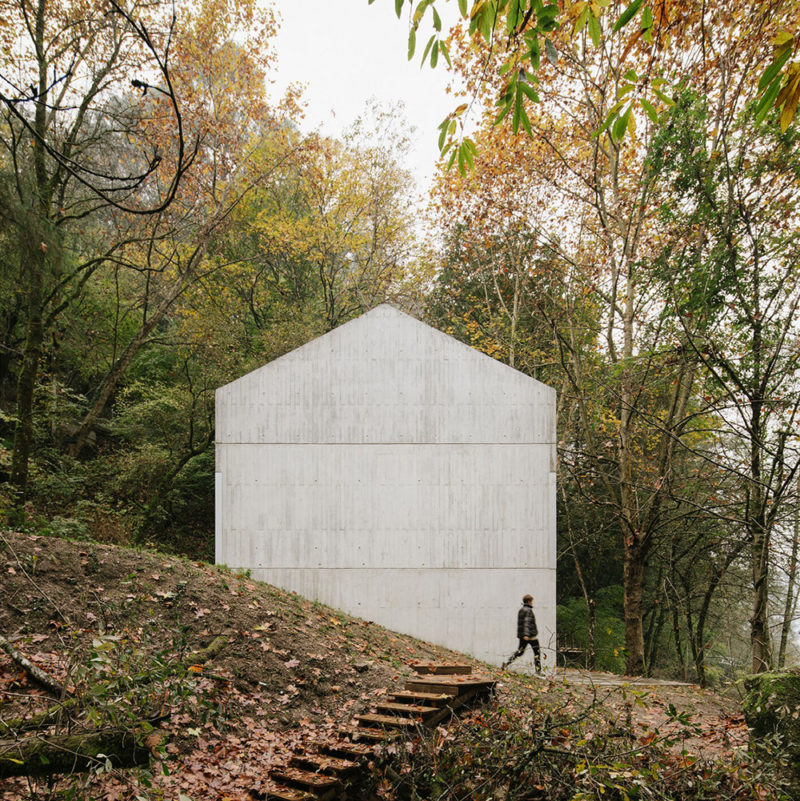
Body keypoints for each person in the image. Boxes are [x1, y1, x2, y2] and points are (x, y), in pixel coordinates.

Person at [502, 594, 541, 672]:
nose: (532, 603)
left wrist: (523, 634)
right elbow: (526, 622)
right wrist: (526, 634)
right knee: (537, 653)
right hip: (530, 636)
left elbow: (522, 623)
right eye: (532, 601)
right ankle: (538, 671)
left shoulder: (522, 609)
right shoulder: (528, 610)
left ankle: (507, 663)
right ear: (529, 601)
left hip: (523, 635)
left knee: (520, 652)